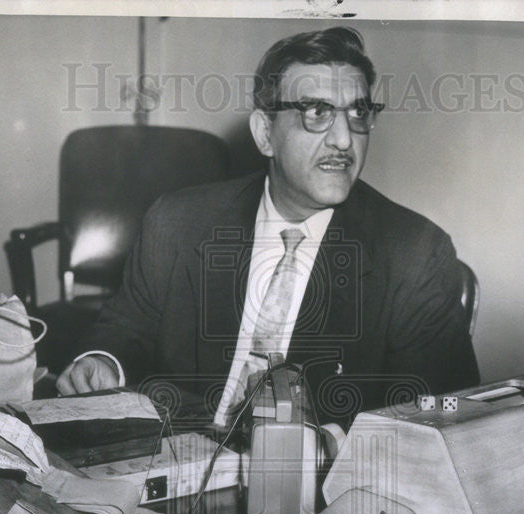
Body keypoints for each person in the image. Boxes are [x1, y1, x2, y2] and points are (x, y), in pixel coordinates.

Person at [57, 26, 479, 427]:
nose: (344, 140)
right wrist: (101, 360)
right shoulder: (178, 222)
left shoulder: (414, 253)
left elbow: (438, 415)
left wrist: (329, 447)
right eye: (317, 112)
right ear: (264, 134)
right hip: (179, 454)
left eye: (358, 113)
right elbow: (126, 326)